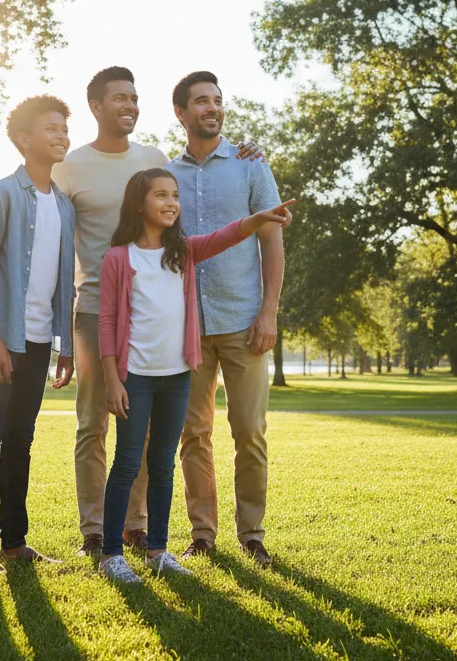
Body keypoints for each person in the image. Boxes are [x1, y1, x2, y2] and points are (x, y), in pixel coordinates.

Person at [52, 66, 261, 558]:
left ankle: (136, 526)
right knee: (92, 425)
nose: (129, 105)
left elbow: (193, 223)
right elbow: (61, 251)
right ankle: (93, 530)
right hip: (95, 310)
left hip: (149, 318)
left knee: (144, 430)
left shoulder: (152, 160)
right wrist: (61, 327)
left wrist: (248, 153)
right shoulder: (70, 167)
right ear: (96, 107)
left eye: (134, 97)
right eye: (119, 98)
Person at [96, 168, 293, 583]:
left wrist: (257, 220)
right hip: (135, 377)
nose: (171, 203)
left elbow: (224, 237)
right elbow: (108, 321)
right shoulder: (118, 258)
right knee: (128, 462)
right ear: (138, 204)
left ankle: (157, 551)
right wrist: (113, 379)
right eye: (161, 196)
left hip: (177, 376)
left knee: (164, 465)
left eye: (175, 196)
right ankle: (111, 554)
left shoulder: (182, 252)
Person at [166, 71, 289, 567]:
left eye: (218, 100)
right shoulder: (164, 175)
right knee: (192, 435)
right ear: (181, 112)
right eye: (201, 101)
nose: (212, 108)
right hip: (186, 326)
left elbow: (272, 241)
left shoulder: (250, 167)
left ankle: (252, 533)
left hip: (243, 321)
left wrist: (269, 312)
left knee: (249, 431)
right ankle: (203, 534)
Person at [0, 95, 77, 575]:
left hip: (37, 339)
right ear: (26, 140)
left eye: (63, 129)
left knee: (21, 440)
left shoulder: (65, 206)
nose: (61, 136)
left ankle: (14, 542)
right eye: (51, 129)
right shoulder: (1, 194)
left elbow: (63, 281)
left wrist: (63, 343)